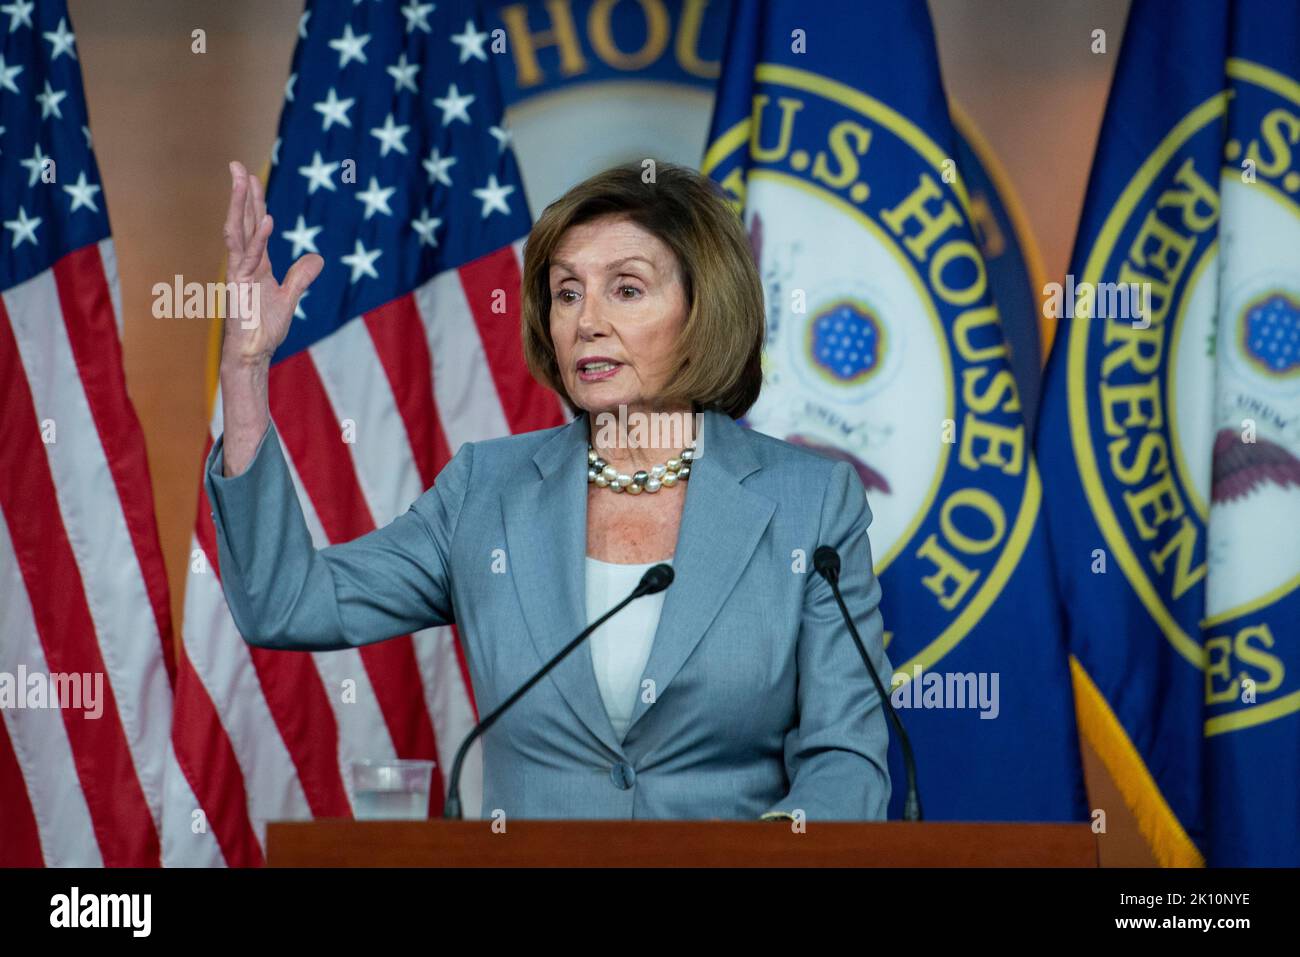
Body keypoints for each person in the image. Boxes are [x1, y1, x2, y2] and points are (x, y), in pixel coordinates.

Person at [209, 159, 892, 820]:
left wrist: (765, 856)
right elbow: (284, 603)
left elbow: (846, 754)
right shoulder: (487, 490)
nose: (586, 320)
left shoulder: (810, 503)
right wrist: (245, 372)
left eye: (626, 288)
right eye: (567, 292)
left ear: (703, 308)